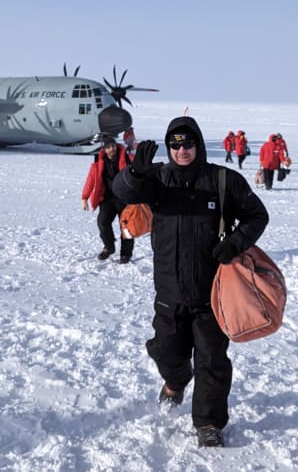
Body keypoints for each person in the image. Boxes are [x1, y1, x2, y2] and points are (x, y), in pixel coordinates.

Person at [113, 116, 269, 449]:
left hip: (212, 292)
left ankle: (209, 423)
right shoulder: (158, 179)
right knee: (168, 352)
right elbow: (122, 191)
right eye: (175, 145)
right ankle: (175, 380)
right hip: (169, 291)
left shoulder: (223, 180)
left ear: (198, 144)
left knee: (212, 360)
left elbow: (258, 215)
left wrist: (234, 244)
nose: (182, 150)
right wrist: (136, 172)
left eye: (188, 144)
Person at [81, 136, 134, 262]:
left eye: (113, 146)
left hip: (125, 199)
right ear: (104, 149)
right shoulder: (98, 163)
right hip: (108, 198)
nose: (112, 149)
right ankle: (109, 247)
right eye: (108, 147)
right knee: (103, 222)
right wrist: (84, 197)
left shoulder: (127, 158)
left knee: (127, 227)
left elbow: (139, 174)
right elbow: (90, 181)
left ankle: (126, 254)